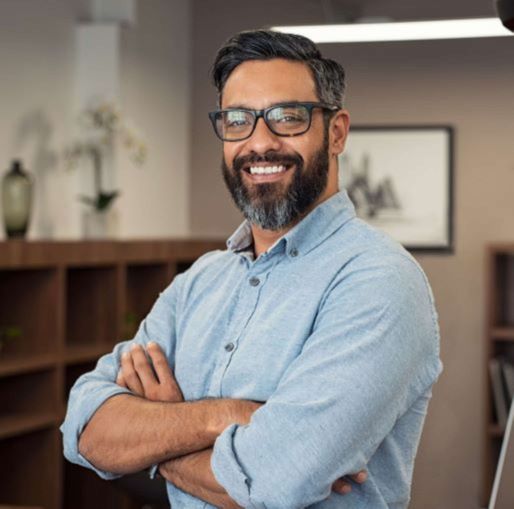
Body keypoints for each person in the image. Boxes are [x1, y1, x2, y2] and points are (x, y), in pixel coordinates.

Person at [61, 29, 442, 508]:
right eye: (237, 120)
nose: (260, 143)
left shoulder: (379, 280)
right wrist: (223, 417)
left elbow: (274, 483)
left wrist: (154, 439)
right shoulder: (200, 281)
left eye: (287, 117)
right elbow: (83, 429)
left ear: (337, 131)